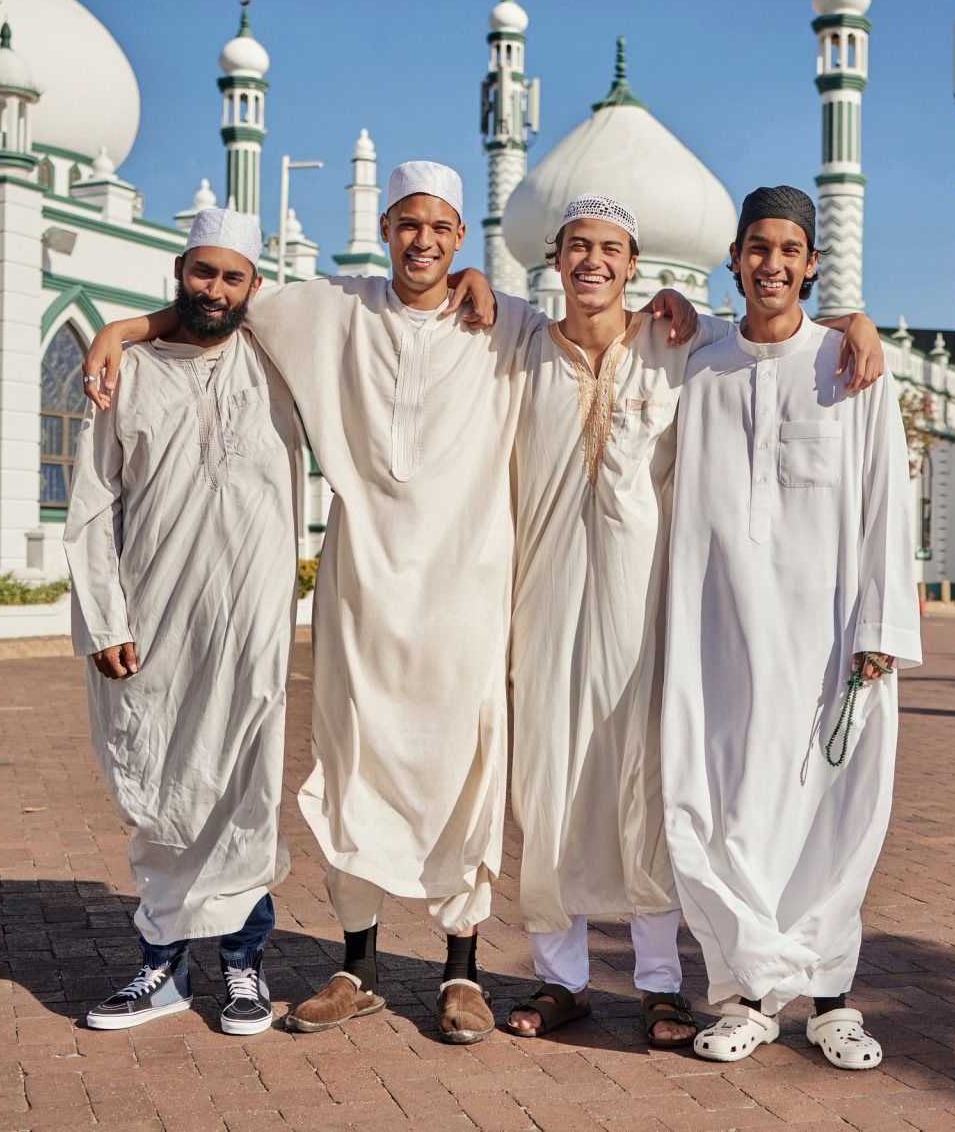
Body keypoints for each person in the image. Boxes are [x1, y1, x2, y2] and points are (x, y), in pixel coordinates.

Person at [80, 162, 697, 1043]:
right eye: (409, 225)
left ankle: (461, 972)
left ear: (462, 237)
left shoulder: (510, 324)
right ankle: (357, 967)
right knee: (354, 767)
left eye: (441, 228)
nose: (423, 242)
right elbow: (222, 297)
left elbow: (668, 329)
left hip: (470, 589)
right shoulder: (332, 307)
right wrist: (126, 327)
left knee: (468, 775)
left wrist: (681, 304)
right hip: (363, 588)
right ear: (385, 228)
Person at [504, 194, 885, 1050]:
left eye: (611, 249)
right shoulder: (533, 346)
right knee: (554, 784)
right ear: (554, 256)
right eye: (578, 246)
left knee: (661, 787)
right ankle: (568, 979)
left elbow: (779, 340)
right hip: (562, 606)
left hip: (674, 616)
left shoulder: (685, 346)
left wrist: (854, 321)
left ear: (636, 267)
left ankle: (669, 985)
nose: (593, 262)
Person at [660, 185, 922, 1070]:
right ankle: (745, 996)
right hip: (718, 635)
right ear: (734, 259)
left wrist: (880, 626)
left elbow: (886, 499)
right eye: (757, 248)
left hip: (832, 637)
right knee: (723, 806)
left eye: (788, 250)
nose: (771, 264)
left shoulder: (850, 366)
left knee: (832, 811)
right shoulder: (700, 367)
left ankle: (831, 1000)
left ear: (812, 264)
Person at [64, 207, 301, 1035]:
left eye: (233, 277)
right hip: (153, 617)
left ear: (255, 285)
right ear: (179, 271)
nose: (216, 289)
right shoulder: (126, 372)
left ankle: (243, 963)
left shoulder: (277, 359)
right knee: (162, 784)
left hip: (251, 621)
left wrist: (123, 321)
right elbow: (93, 505)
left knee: (245, 786)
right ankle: (162, 967)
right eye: (204, 272)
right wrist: (103, 620)